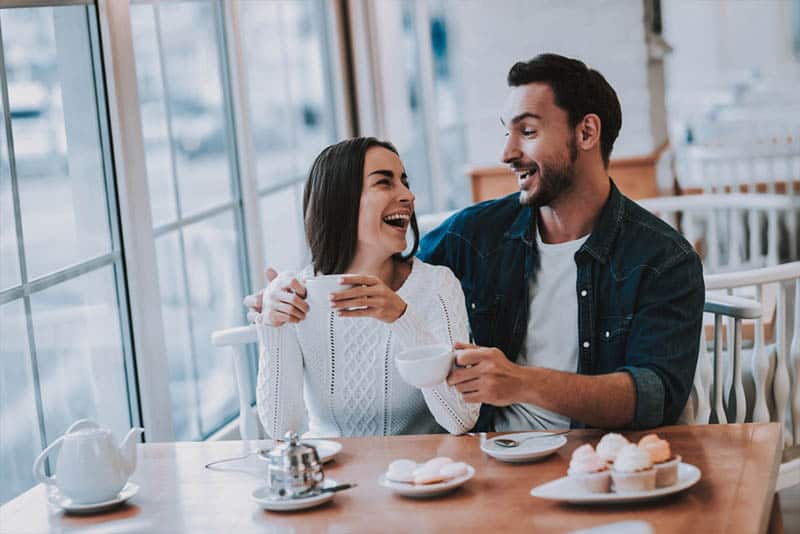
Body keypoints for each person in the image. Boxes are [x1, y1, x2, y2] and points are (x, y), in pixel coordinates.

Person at [419, 53, 704, 432]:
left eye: (529, 132)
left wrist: (520, 381)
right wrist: (315, 287)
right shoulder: (473, 235)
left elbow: (655, 398)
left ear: (586, 132)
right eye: (508, 132)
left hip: (595, 467)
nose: (507, 153)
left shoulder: (664, 259)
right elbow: (398, 275)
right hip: (482, 462)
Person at [251, 137, 479, 438]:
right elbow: (282, 430)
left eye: (404, 182)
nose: (408, 195)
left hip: (419, 476)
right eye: (385, 183)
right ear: (339, 201)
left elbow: (461, 419)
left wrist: (403, 318)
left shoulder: (437, 285)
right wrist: (272, 325)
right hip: (333, 477)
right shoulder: (297, 296)